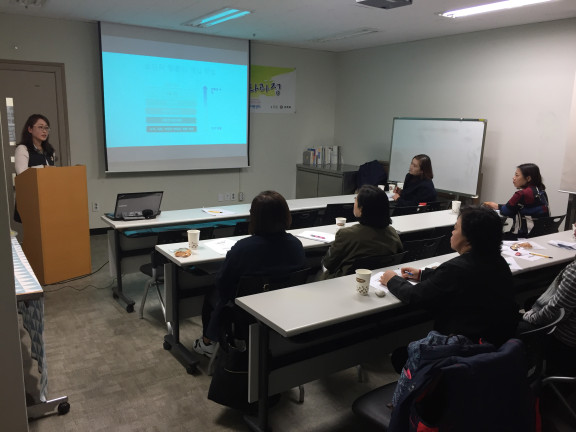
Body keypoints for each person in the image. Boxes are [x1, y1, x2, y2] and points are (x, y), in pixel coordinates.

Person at [380, 206, 518, 346]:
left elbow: (415, 295)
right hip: (496, 341)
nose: (452, 232)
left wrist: (392, 280)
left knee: (400, 354)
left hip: (463, 347)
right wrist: (422, 274)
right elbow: (451, 279)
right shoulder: (498, 261)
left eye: (456, 228)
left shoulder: (456, 268)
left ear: (469, 238)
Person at [194, 190, 306, 357]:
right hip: (284, 309)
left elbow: (222, 283)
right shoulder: (296, 244)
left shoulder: (243, 248)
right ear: (285, 215)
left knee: (212, 293)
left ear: (254, 217)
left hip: (246, 313)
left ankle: (207, 343)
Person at [320, 185, 403, 279]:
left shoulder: (346, 234)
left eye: (356, 199)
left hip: (345, 280)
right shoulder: (392, 233)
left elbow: (328, 263)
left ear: (361, 208)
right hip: (378, 279)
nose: (354, 202)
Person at [522, 258, 576, 375]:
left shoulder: (574, 272)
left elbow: (554, 313)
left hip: (566, 342)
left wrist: (528, 318)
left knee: (519, 327)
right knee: (530, 302)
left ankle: (534, 371)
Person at [483, 163, 549, 238]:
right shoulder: (541, 191)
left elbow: (506, 212)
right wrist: (498, 206)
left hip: (522, 235)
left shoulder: (522, 194)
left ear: (528, 178)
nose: (514, 178)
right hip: (540, 235)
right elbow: (519, 208)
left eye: (517, 175)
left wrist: (497, 206)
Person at [14, 114, 56, 223]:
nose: (44, 131)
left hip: (48, 197)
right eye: (40, 127)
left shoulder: (49, 150)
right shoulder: (22, 149)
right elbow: (22, 175)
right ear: (30, 129)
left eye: (46, 128)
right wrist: (43, 168)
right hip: (30, 199)